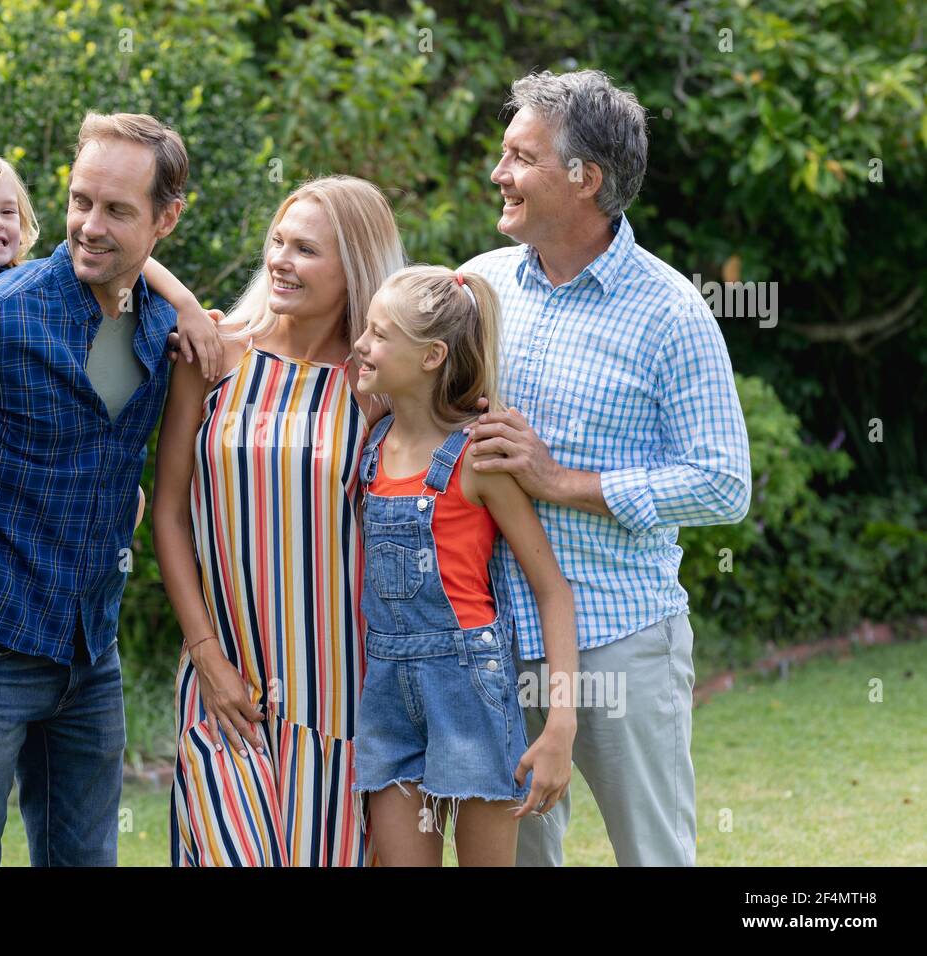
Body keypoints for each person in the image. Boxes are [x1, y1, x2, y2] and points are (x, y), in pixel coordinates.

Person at [0, 112, 212, 866]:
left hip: (92, 650)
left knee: (86, 858)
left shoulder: (163, 323)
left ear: (167, 218)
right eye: (80, 200)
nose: (89, 226)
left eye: (118, 211)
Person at [462, 69, 752, 866]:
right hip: (502, 633)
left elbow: (723, 481)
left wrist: (560, 483)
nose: (500, 174)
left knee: (653, 855)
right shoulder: (481, 284)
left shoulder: (672, 313)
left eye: (520, 157)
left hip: (622, 638)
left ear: (584, 178)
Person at [155, 175, 406, 866]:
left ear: (354, 265)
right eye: (277, 241)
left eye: (306, 250)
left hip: (345, 694)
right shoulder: (213, 356)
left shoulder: (381, 387)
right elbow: (170, 512)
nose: (281, 260)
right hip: (226, 683)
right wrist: (206, 653)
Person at [349, 265, 578, 866]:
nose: (361, 345)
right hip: (387, 696)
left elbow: (554, 591)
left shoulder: (478, 458)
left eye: (379, 335)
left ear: (432, 356)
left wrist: (560, 725)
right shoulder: (367, 445)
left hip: (469, 690)